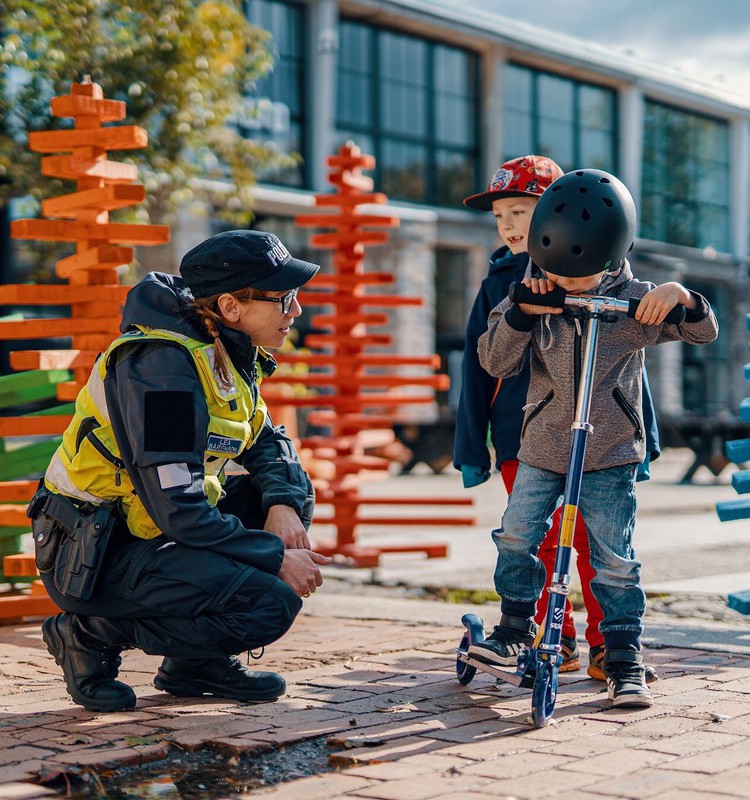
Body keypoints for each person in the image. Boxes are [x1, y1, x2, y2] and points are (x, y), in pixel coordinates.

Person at [28, 229, 332, 713]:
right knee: (268, 603)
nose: (296, 311)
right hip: (94, 550)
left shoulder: (221, 351)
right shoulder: (160, 370)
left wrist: (282, 507)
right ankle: (88, 632)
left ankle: (195, 664)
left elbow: (271, 444)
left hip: (146, 531)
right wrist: (273, 558)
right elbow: (178, 508)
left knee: (276, 494)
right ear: (231, 306)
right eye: (284, 299)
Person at [474, 168, 718, 707]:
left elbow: (703, 331)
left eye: (581, 276)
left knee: (614, 556)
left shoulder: (637, 302)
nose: (570, 286)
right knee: (517, 535)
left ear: (609, 254)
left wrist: (682, 296)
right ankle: (516, 626)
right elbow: (493, 358)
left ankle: (623, 656)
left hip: (608, 454)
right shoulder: (534, 293)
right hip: (541, 449)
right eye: (561, 273)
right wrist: (520, 314)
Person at [455, 155, 660, 680]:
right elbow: (478, 367)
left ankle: (604, 644)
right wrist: (471, 448)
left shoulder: (611, 280)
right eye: (500, 216)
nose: (509, 226)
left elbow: (628, 370)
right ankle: (554, 638)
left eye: (521, 212)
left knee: (599, 543)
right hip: (521, 435)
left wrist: (646, 441)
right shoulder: (500, 280)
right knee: (534, 539)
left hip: (601, 438)